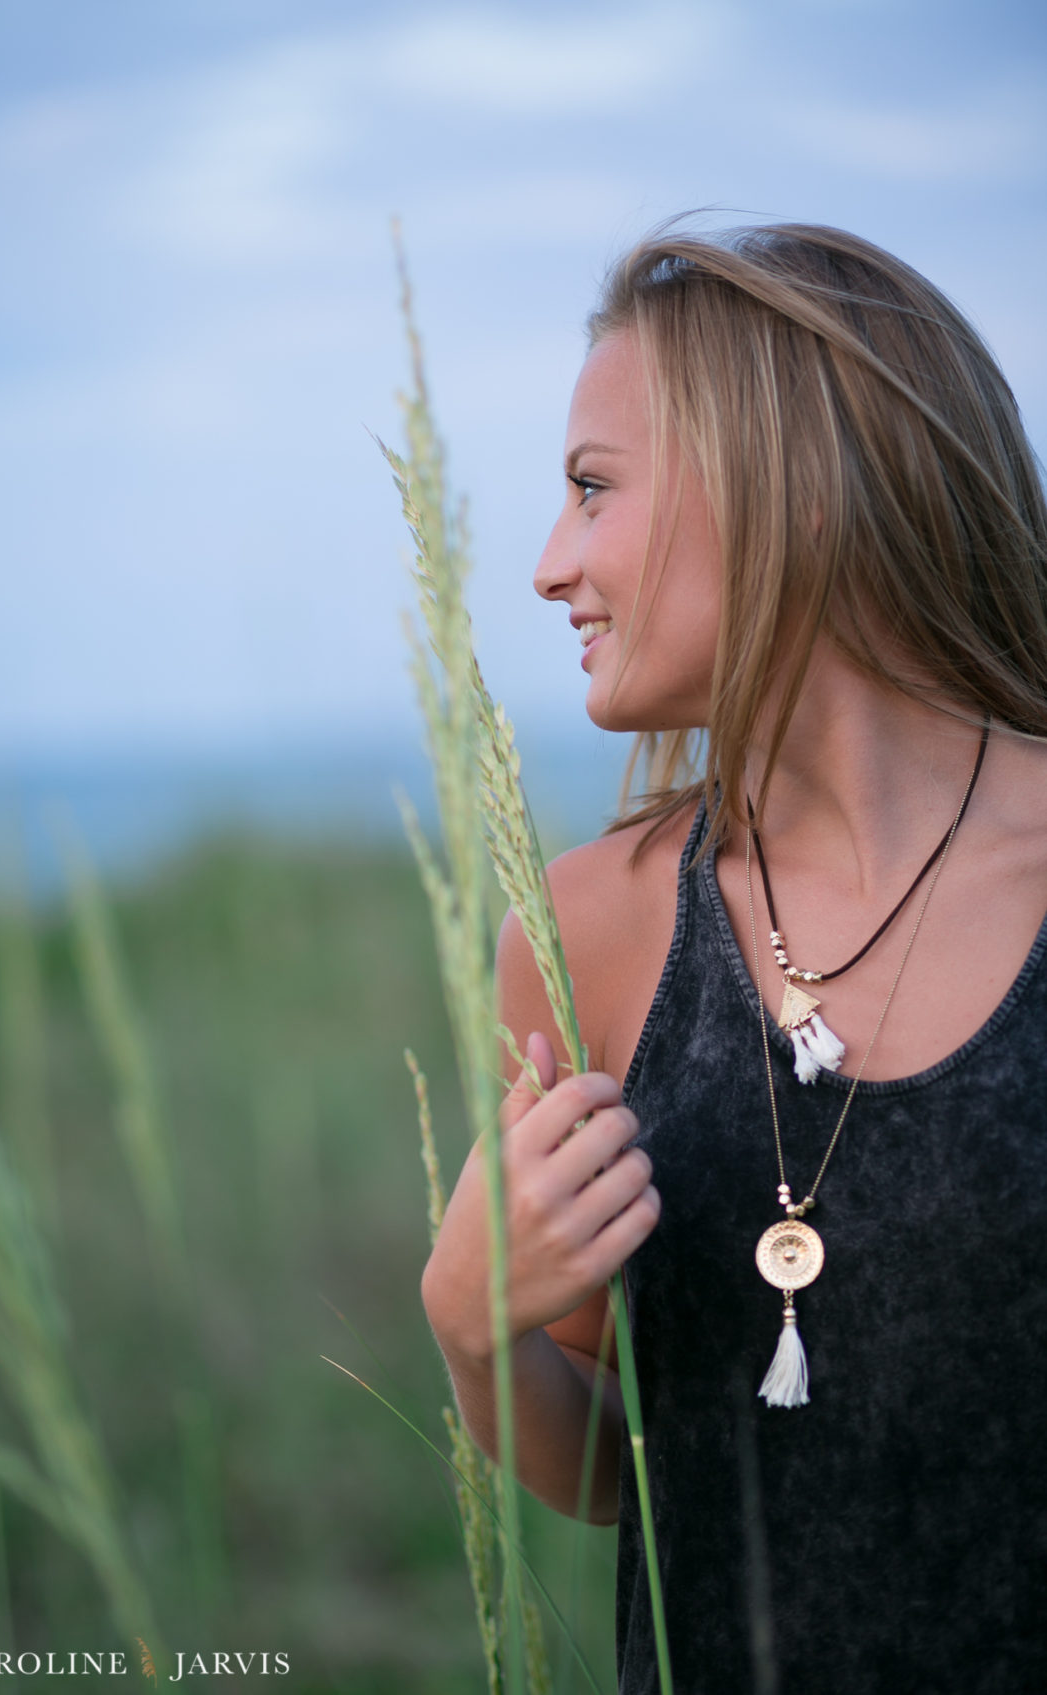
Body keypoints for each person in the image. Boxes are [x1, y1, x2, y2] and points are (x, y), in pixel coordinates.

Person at [420, 222, 1047, 1694]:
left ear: (777, 481)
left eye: (590, 491)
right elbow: (615, 1469)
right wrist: (469, 1324)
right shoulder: (584, 932)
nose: (547, 565)